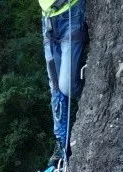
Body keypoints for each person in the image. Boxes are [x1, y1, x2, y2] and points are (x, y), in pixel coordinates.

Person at [40, 0, 88, 160]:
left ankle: (90, 93)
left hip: (70, 11)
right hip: (48, 19)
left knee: (67, 86)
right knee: (54, 85)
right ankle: (61, 141)